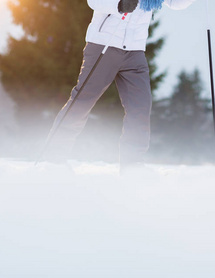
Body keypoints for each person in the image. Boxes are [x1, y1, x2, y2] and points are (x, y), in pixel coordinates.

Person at [43, 0, 195, 171]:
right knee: (82, 100)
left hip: (135, 50)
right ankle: (53, 157)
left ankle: (133, 163)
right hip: (104, 44)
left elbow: (176, 3)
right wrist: (119, 4)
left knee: (140, 106)